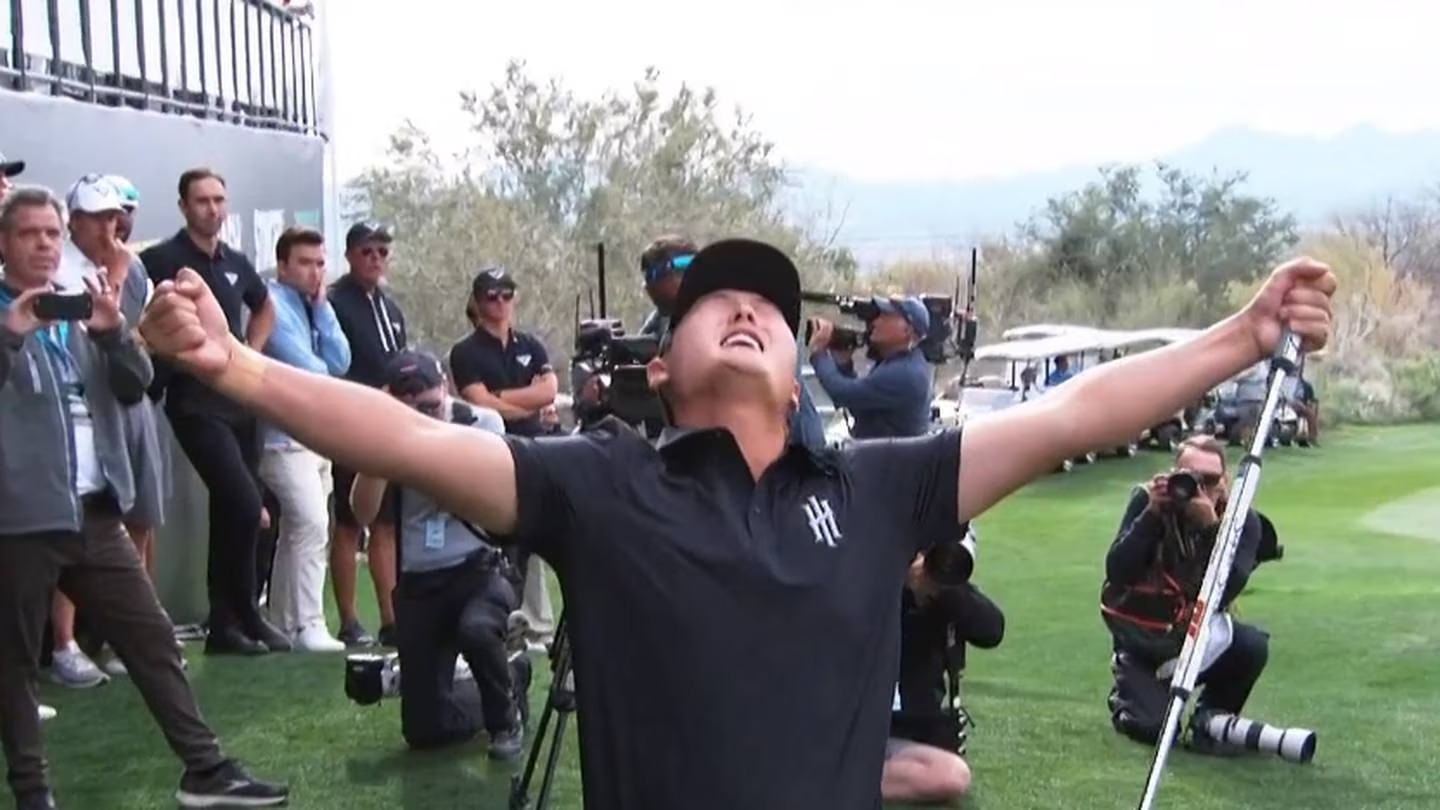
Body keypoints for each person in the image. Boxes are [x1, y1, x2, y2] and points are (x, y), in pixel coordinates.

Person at [137, 237, 1335, 810]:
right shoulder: (597, 486)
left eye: (767, 302)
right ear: (666, 368)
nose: (752, 311)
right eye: (720, 304)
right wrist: (236, 369)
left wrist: (1241, 331)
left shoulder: (880, 486)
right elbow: (407, 437)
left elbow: (1077, 412)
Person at [0, 185, 287, 810]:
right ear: (4, 243)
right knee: (15, 662)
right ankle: (32, 792)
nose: (46, 244)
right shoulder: (10, 316)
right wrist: (10, 335)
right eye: (30, 233)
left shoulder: (78, 311)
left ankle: (205, 770)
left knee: (153, 636)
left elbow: (139, 384)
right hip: (19, 519)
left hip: (93, 511)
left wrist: (110, 333)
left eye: (52, 233)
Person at [140, 167, 287, 656]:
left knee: (240, 509)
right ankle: (243, 611)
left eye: (220, 199)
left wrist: (249, 350)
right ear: (183, 206)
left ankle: (228, 624)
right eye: (202, 200)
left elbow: (264, 307)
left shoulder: (236, 262)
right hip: (192, 399)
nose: (213, 209)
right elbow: (143, 323)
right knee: (247, 503)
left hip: (239, 400)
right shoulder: (162, 259)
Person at [350, 351, 525, 759]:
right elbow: (362, 513)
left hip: (479, 568)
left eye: (430, 407)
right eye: (410, 410)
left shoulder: (481, 423)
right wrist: (382, 446)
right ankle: (511, 678)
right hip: (420, 582)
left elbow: (507, 496)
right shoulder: (384, 433)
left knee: (477, 630)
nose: (424, 417)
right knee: (425, 730)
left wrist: (437, 452)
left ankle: (505, 722)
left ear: (445, 388)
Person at [47, 175, 168, 684]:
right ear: (73, 222)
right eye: (98, 216)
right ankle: (64, 644)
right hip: (81, 412)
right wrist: (115, 278)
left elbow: (136, 342)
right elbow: (95, 333)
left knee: (138, 514)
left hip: (130, 399)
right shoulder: (59, 269)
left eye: (115, 215)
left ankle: (128, 637)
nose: (110, 225)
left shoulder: (131, 265)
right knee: (73, 532)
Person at [1101, 436, 1272, 754]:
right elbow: (1118, 572)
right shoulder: (1149, 502)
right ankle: (1127, 692)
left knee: (1252, 646)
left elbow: (1224, 590)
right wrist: (1151, 515)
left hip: (1198, 633)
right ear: (1173, 474)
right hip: (1145, 637)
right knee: (1154, 730)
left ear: (1224, 482)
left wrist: (1210, 528)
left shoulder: (1242, 522)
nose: (1199, 488)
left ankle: (1212, 718)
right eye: (1190, 478)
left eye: (1209, 480)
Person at [448, 265, 559, 650]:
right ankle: (504, 620)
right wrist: (519, 401)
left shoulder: (530, 344)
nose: (500, 303)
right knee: (503, 538)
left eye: (506, 294)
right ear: (478, 302)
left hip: (537, 448)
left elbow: (548, 390)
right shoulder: (465, 351)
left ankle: (537, 626)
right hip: (493, 451)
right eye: (491, 296)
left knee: (536, 537)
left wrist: (502, 397)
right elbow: (479, 404)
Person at [256, 226, 351, 652]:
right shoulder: (272, 303)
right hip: (280, 436)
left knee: (303, 528)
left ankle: (282, 621)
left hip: (314, 434)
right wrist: (323, 367)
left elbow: (341, 360)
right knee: (310, 524)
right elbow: (310, 369)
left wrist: (324, 310)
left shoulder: (313, 307)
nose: (315, 272)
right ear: (283, 266)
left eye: (319, 263)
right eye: (305, 263)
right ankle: (308, 624)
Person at [883, 525, 1004, 805]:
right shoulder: (866, 586)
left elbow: (991, 630)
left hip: (914, 734)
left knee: (951, 776)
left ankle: (843, 779)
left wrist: (940, 587)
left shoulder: (944, 595)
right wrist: (893, 578)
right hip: (858, 726)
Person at [327, 222, 405, 647]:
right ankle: (349, 619)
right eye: (367, 251)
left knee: (387, 523)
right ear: (351, 254)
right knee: (349, 522)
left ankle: (391, 618)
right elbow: (336, 363)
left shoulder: (390, 307)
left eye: (382, 252)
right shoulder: (337, 302)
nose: (375, 258)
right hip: (352, 421)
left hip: (391, 422)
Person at [808, 295, 934, 439]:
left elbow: (842, 393)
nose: (876, 322)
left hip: (888, 460)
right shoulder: (898, 362)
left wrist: (818, 352)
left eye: (886, 316)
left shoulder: (906, 373)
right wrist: (845, 364)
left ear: (907, 330)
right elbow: (860, 406)